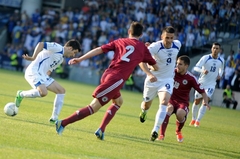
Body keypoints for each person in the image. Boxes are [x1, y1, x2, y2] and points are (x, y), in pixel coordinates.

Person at [55, 22, 158, 140]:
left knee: (118, 102)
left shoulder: (119, 41)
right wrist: (149, 53)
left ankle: (101, 130)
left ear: (129, 31)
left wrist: (80, 58)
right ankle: (62, 123)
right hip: (116, 80)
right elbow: (156, 66)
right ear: (141, 34)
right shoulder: (142, 48)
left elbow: (99, 49)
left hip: (108, 74)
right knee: (93, 107)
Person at [14, 39, 81, 123]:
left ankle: (54, 118)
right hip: (33, 71)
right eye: (74, 52)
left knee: (61, 91)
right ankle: (21, 94)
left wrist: (46, 80)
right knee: (43, 92)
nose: (73, 55)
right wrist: (33, 57)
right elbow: (41, 44)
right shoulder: (58, 48)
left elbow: (49, 70)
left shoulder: (60, 59)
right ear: (70, 48)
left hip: (43, 75)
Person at [138, 26, 181, 141]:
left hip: (167, 80)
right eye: (167, 37)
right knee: (146, 104)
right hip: (153, 79)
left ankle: (155, 130)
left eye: (171, 38)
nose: (169, 40)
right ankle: (144, 112)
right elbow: (141, 61)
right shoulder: (155, 47)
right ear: (162, 36)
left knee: (164, 102)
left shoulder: (178, 44)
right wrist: (149, 74)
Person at [158, 55, 210, 143]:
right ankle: (161, 135)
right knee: (168, 109)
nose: (177, 66)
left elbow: (202, 91)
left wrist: (206, 102)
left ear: (186, 66)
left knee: (180, 113)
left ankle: (178, 131)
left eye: (180, 64)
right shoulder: (172, 72)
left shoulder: (191, 78)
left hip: (182, 102)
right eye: (177, 63)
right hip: (171, 99)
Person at [189, 42, 224, 127]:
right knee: (197, 102)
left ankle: (198, 121)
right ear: (211, 49)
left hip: (211, 84)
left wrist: (220, 75)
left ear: (219, 50)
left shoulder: (221, 60)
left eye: (217, 48)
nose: (215, 50)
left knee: (205, 101)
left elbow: (221, 69)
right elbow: (195, 68)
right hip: (201, 83)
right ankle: (193, 118)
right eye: (214, 48)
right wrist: (202, 71)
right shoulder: (205, 58)